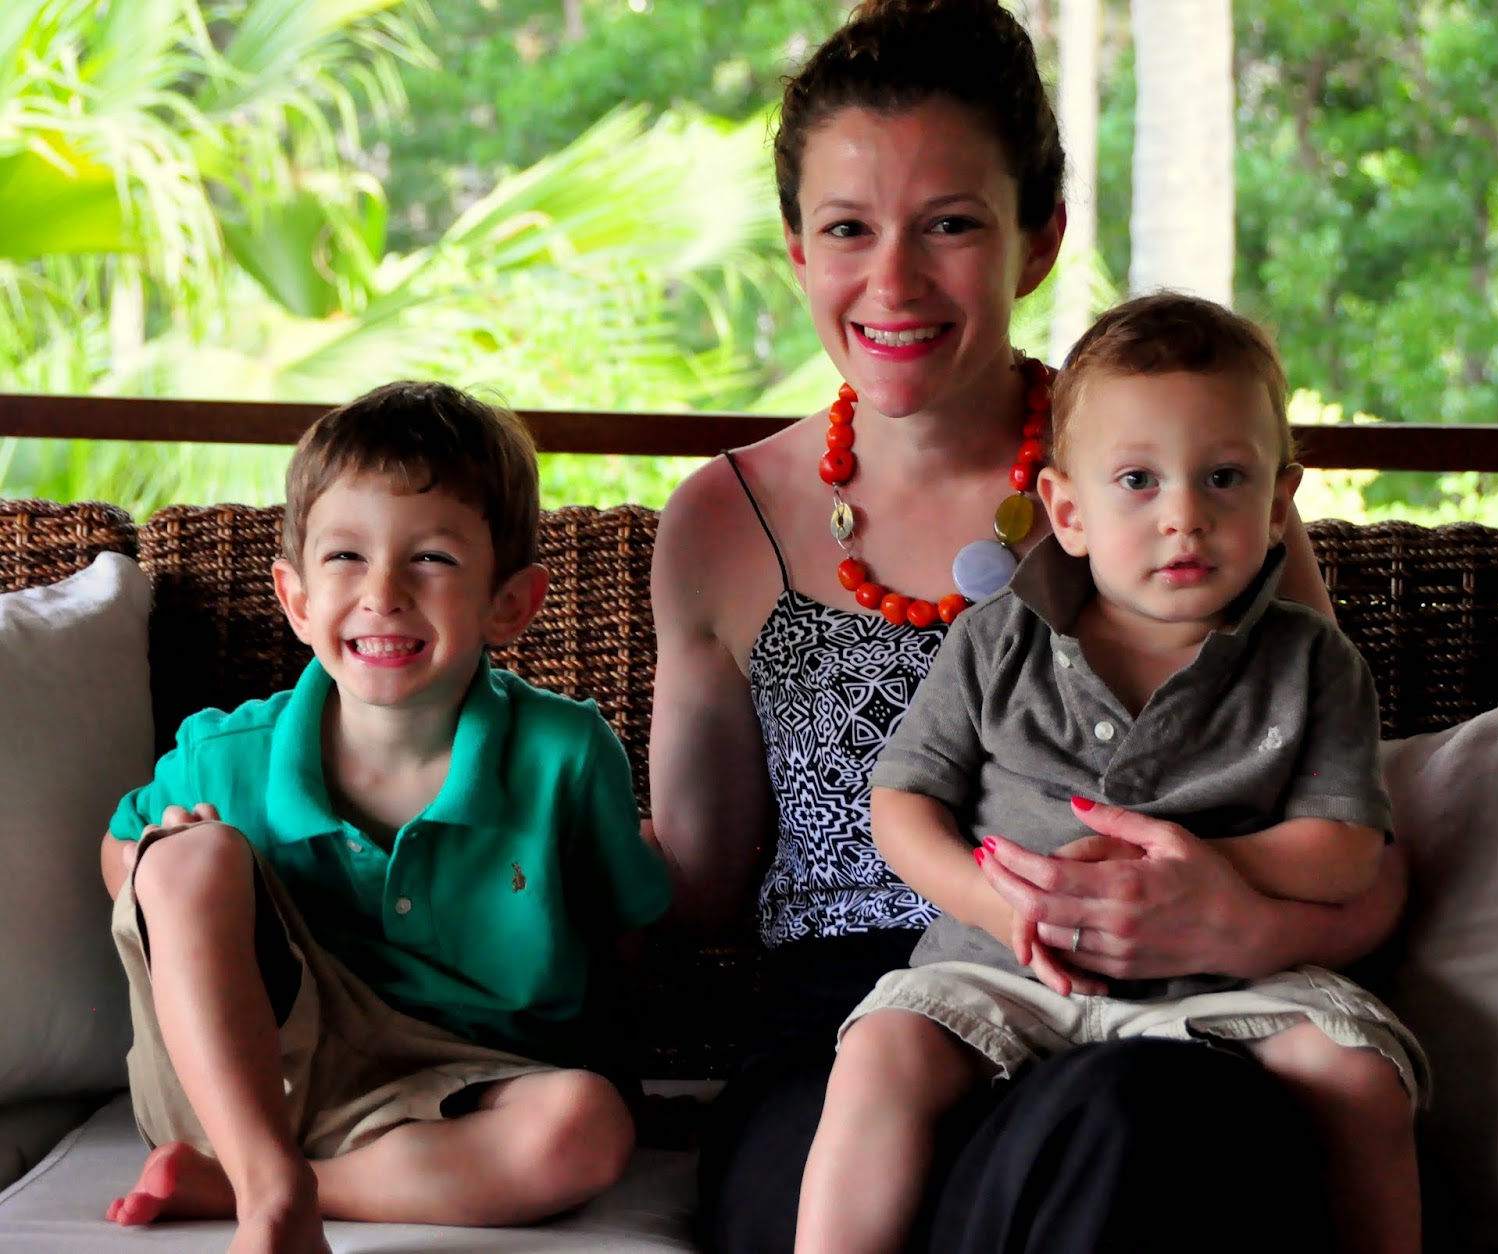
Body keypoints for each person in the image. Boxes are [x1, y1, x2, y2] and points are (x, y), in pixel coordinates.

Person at [648, 1, 1407, 1250]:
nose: (892, 281)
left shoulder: (1180, 490)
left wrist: (1244, 922)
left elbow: (1365, 854)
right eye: (846, 228)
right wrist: (480, 801)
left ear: (1038, 239)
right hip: (851, 1042)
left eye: (949, 224)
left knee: (1137, 1114)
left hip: (1165, 1003)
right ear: (796, 249)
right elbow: (696, 880)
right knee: (1003, 1148)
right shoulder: (723, 523)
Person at [796, 293, 1428, 1254]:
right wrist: (997, 905)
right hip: (1003, 968)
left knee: (1361, 1074)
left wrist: (1200, 878)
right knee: (882, 1050)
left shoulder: (1312, 663)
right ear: (1067, 511)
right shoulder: (996, 640)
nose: (1184, 517)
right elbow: (903, 804)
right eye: (1137, 480)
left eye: (1225, 478)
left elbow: (1345, 848)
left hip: (1226, 979)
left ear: (1279, 503)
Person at [98, 381, 672, 1253]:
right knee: (183, 853)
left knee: (587, 1127)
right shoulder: (226, 753)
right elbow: (116, 857)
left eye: (431, 558)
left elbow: (621, 943)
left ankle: (262, 1186)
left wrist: (627, 1079)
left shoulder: (566, 755)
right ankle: (262, 1173)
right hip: (244, 1080)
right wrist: (158, 858)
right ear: (296, 598)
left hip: (460, 1093)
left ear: (511, 602)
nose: (384, 593)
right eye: (345, 557)